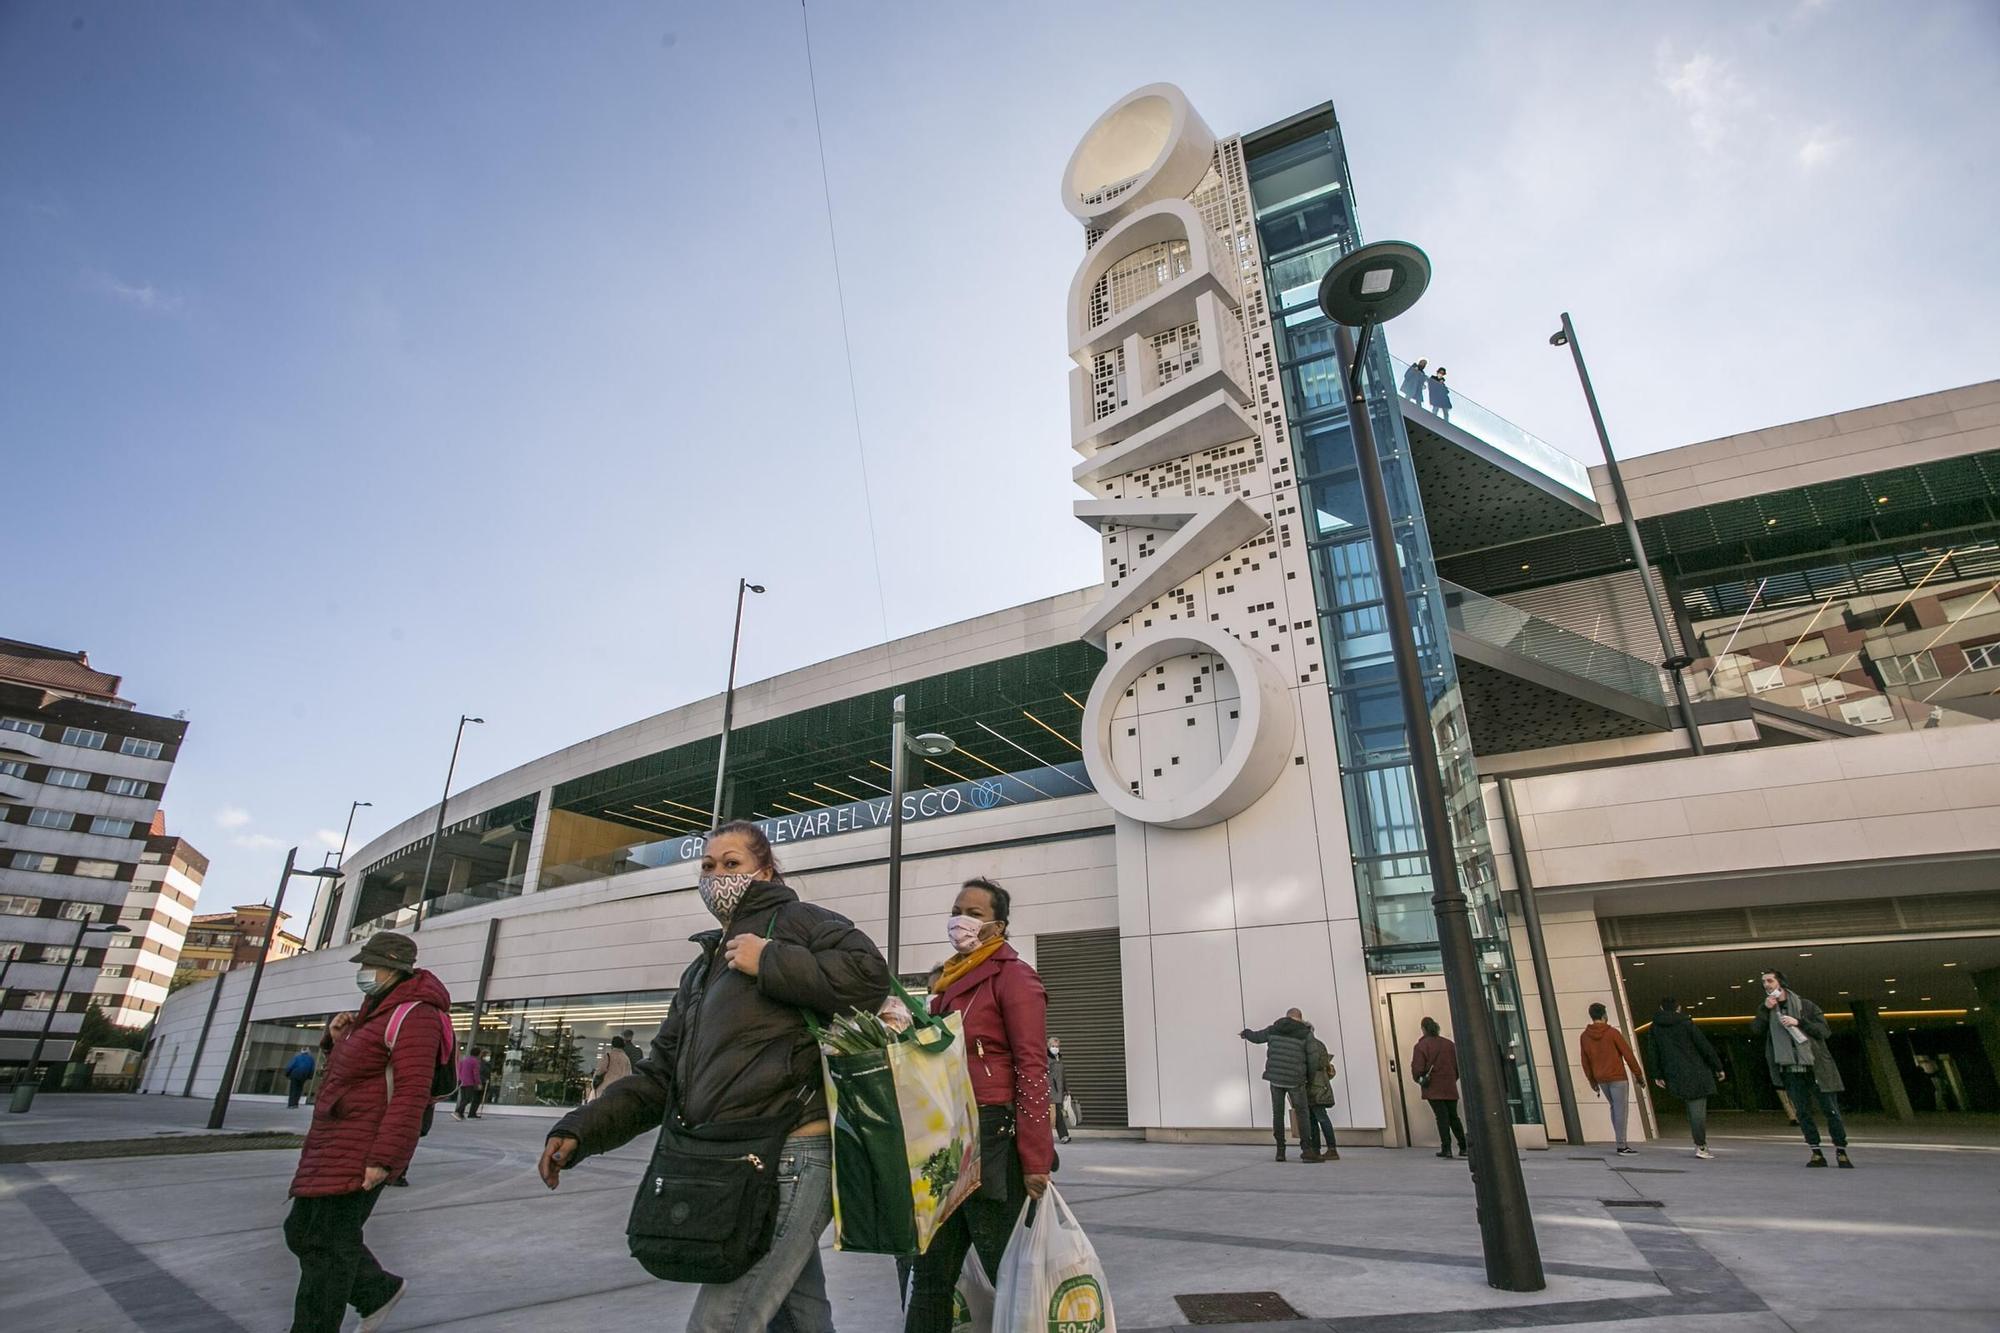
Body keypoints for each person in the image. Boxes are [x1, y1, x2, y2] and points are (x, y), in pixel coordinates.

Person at [537, 822, 890, 1332]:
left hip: (790, 1152)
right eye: (708, 866)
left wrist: (769, 959)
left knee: (720, 1322)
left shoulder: (799, 921)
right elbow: (660, 1074)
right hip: (730, 1162)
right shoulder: (703, 970)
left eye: (731, 864)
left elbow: (869, 976)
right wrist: (582, 1128)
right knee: (797, 1315)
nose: (716, 875)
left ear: (764, 871)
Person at [905, 877, 1056, 1333]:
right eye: (957, 910)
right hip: (946, 1138)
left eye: (974, 913)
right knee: (930, 1275)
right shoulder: (953, 978)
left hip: (993, 1138)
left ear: (998, 926)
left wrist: (1036, 1157)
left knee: (1004, 1270)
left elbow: (1033, 1067)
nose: (961, 920)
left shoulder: (1014, 977)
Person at [284, 930, 450, 1333]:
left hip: (363, 1144)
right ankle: (376, 1291)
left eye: (369, 965)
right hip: (335, 1140)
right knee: (303, 1232)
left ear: (392, 968)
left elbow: (412, 1091)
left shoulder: (416, 1015)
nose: (363, 972)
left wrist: (384, 1158)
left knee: (327, 1245)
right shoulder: (375, 1010)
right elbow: (356, 1076)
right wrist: (337, 1042)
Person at [1752, 969, 1852, 1168]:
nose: (1766, 985)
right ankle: (1815, 1151)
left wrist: (1799, 1022)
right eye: (1763, 982)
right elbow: (1756, 1030)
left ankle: (1841, 1150)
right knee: (1803, 1112)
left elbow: (1824, 1031)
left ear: (1781, 983)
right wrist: (1764, 1010)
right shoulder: (1768, 1010)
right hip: (1790, 1070)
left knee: (1830, 1110)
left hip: (1816, 1067)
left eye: (1769, 980)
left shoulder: (1806, 1006)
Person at [1644, 996, 1727, 1159]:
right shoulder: (1686, 1023)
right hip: (1696, 1070)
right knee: (1697, 1110)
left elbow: (1653, 1053)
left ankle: (1700, 1144)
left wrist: (1657, 1074)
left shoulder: (1655, 1028)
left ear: (1661, 1008)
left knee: (1691, 1107)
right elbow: (1704, 1046)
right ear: (1679, 1008)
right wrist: (1718, 1067)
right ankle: (1701, 1145)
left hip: (1674, 1073)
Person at [1241, 1008, 1319, 1162]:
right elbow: (1313, 1058)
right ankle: (1307, 1150)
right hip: (1296, 1079)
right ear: (1300, 1018)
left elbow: (1257, 1037)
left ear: (1287, 1017)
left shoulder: (1274, 1029)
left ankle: (1280, 1151)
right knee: (1302, 1113)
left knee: (1278, 1114)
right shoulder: (1305, 1033)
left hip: (1276, 1079)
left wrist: (1246, 1033)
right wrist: (1309, 1078)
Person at [1580, 1002, 1646, 1155]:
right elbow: (1628, 1054)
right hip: (1617, 1077)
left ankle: (1620, 1141)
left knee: (1614, 1107)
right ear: (1604, 1015)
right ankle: (1621, 1144)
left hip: (1600, 1078)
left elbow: (1585, 1061)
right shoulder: (1612, 1033)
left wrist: (1592, 1081)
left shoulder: (1584, 1036)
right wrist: (1638, 1074)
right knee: (1621, 1109)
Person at [1410, 1016, 1468, 1159]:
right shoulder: (1449, 1044)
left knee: (1441, 1118)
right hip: (1449, 1086)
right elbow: (1457, 1066)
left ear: (1423, 1029)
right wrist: (1451, 1078)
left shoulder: (1421, 1046)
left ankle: (1446, 1148)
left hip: (1433, 1087)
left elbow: (1417, 1068)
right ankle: (1463, 1146)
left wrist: (1419, 1078)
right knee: (1454, 1116)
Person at [1304, 1020, 1339, 1162]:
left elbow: (1316, 1065)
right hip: (1320, 1086)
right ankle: (1320, 1149)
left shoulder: (1310, 1046)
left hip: (1314, 1087)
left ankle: (1329, 1149)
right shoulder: (1319, 1044)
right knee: (1315, 1118)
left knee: (1319, 1118)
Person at [587, 1033, 633, 1104]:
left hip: (605, 1088)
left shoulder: (608, 1056)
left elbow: (600, 1071)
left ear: (612, 1045)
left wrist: (593, 1083)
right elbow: (629, 1075)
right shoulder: (626, 1059)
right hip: (619, 1090)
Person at [1049, 1036, 1072, 1145]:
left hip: (1059, 1092)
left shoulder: (1059, 1058)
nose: (1055, 1048)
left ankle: (1063, 1135)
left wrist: (1066, 1089)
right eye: (1053, 1046)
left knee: (1056, 1114)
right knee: (1057, 1114)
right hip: (1050, 1091)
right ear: (1049, 1046)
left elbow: (1063, 1076)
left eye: (1057, 1046)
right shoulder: (1045, 1059)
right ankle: (1064, 1135)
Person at [453, 1045, 485, 1120]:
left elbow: (459, 1069)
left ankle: (460, 1114)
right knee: (468, 1099)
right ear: (478, 1054)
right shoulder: (475, 1061)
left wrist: (459, 1079)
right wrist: (478, 1083)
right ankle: (457, 1112)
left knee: (463, 1098)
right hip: (469, 1082)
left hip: (462, 1081)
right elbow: (476, 1073)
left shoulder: (464, 1060)